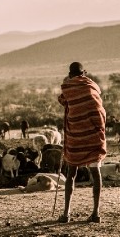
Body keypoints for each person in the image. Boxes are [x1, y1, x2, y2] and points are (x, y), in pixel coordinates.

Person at [57, 61, 106, 224]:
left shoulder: (68, 87)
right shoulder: (92, 85)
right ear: (83, 73)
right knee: (95, 173)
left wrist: (67, 82)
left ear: (70, 74)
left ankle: (66, 214)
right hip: (93, 135)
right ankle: (96, 213)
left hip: (76, 138)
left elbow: (62, 101)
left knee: (71, 174)